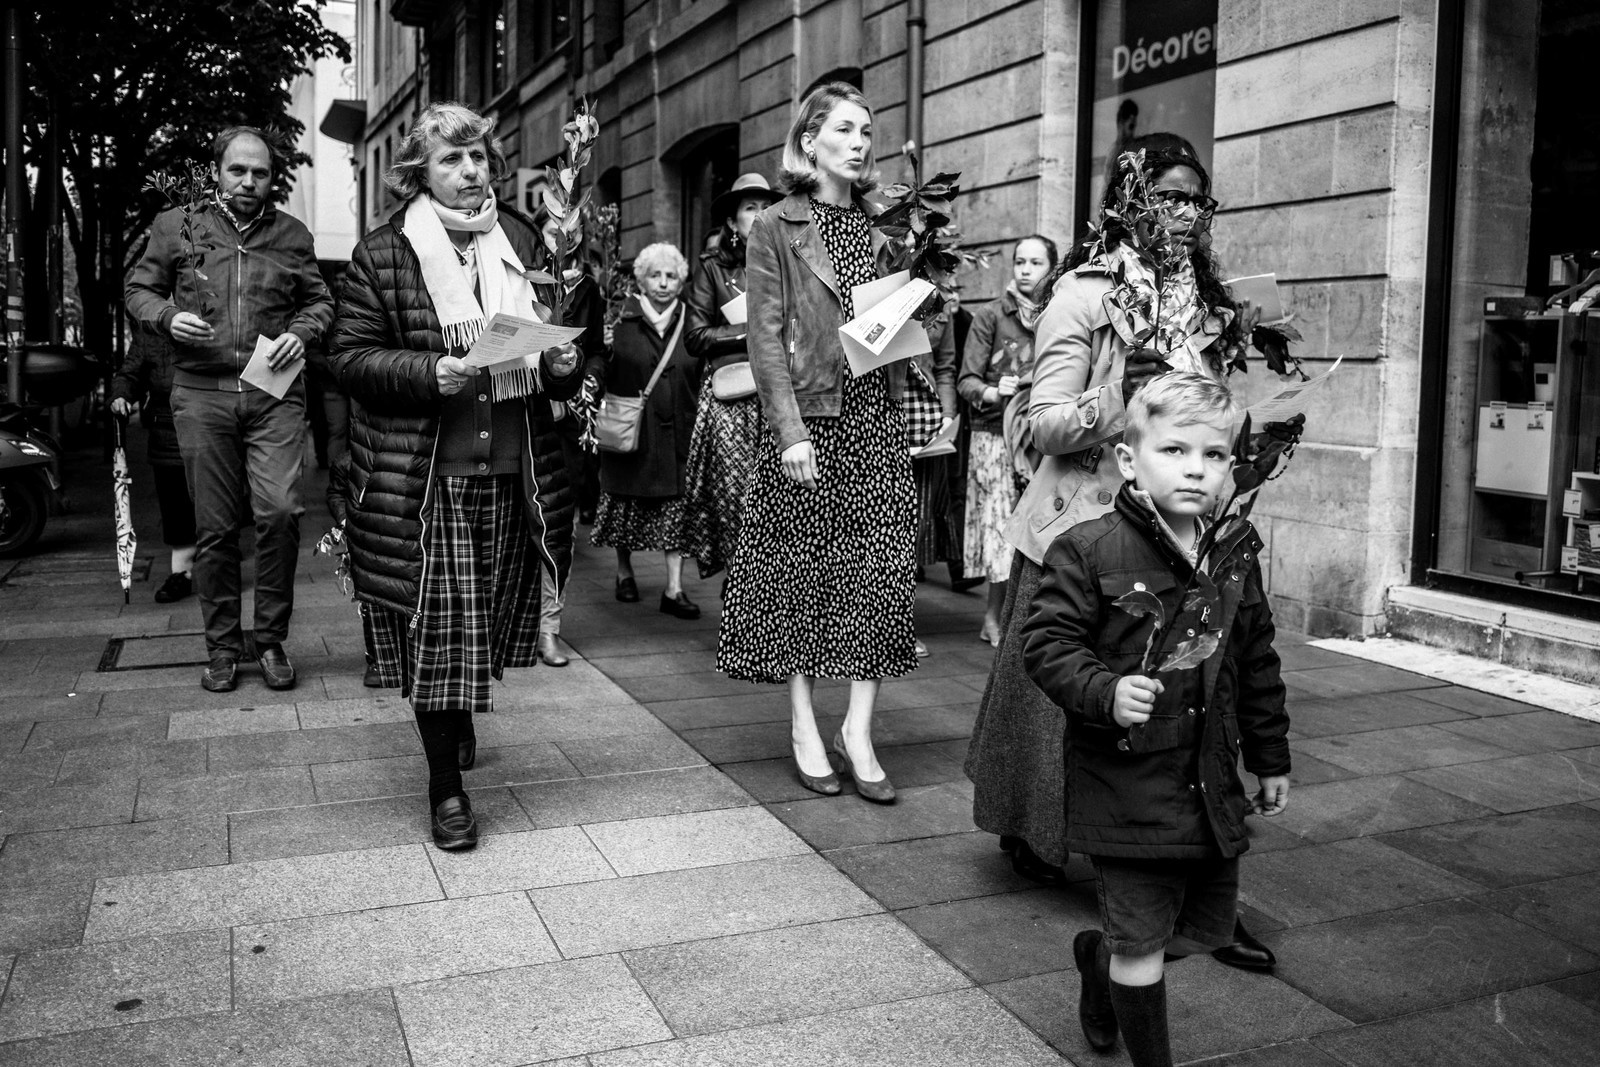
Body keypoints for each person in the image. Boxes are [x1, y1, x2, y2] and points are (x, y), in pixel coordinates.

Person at [961, 134, 1276, 971]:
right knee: (1053, 705)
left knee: (1194, 698)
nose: (1184, 213)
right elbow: (1041, 424)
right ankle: (1037, 834)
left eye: (1196, 198)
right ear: (1130, 200)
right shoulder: (1083, 294)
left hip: (1182, 530)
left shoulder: (1212, 305)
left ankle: (1200, 889)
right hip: (1085, 528)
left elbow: (1208, 415)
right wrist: (1119, 392)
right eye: (1167, 196)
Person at [329, 102, 585, 850]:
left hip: (512, 472)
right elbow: (347, 359)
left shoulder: (527, 240)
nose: (471, 170)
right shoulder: (384, 253)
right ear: (420, 171)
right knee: (440, 631)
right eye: (452, 158)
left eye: (478, 156)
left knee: (484, 620)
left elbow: (555, 359)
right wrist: (427, 371)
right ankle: (446, 790)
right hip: (425, 481)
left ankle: (456, 717)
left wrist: (565, 365)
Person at [1020, 373, 1290, 1066]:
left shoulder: (1233, 551)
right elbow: (1046, 644)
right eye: (1174, 450)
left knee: (1198, 932)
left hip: (1207, 783)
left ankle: (1100, 959)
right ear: (1129, 459)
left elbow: (1256, 659)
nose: (1196, 469)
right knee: (1141, 946)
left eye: (1214, 455)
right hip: (1126, 784)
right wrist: (1104, 691)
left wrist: (1269, 756)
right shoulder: (1089, 547)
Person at [717, 81, 917, 803]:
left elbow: (891, 329)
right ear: (809, 141)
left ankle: (858, 730)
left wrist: (920, 307)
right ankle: (804, 724)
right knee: (800, 574)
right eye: (844, 129)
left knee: (880, 574)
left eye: (866, 130)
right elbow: (764, 339)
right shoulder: (776, 225)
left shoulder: (885, 225)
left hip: (874, 419)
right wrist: (789, 432)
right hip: (811, 420)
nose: (860, 143)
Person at [126, 126, 334, 693]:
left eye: (260, 173)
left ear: (272, 178)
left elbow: (320, 301)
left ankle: (268, 640)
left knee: (281, 512)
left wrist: (300, 331)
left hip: (274, 394)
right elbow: (139, 290)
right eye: (237, 170)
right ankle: (220, 647)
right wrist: (168, 317)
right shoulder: (178, 225)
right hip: (201, 393)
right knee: (215, 528)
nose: (248, 181)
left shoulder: (291, 235)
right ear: (217, 171)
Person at [677, 172, 782, 579]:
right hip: (733, 401)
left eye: (766, 207)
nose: (760, 214)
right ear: (732, 221)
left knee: (777, 505)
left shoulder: (786, 262)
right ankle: (740, 586)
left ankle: (764, 589)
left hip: (780, 396)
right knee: (736, 502)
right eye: (750, 208)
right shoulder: (712, 269)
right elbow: (695, 336)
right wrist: (750, 329)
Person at [956, 234, 1057, 645]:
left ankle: (1025, 619)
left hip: (1042, 440)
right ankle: (993, 617)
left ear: (1052, 268)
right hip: (994, 435)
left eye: (1035, 262)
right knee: (1001, 529)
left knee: (1038, 529)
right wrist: (993, 391)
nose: (1026, 270)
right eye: (1020, 262)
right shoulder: (990, 315)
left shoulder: (1060, 314)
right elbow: (966, 380)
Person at [592, 242, 702, 618]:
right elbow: (601, 368)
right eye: (655, 275)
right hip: (632, 432)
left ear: (681, 281)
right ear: (641, 280)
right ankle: (625, 572)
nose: (663, 283)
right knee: (624, 506)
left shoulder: (692, 320)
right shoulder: (618, 318)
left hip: (678, 431)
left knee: (676, 511)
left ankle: (674, 588)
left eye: (671, 276)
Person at [530, 207, 608, 667]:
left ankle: (549, 628)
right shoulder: (524, 275)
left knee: (559, 524)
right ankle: (516, 621)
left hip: (568, 422)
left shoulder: (588, 288)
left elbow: (596, 349)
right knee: (519, 521)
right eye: (555, 227)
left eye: (574, 229)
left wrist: (585, 385)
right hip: (523, 412)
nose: (565, 235)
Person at [109, 321, 197, 604]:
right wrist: (121, 395)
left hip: (215, 424)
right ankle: (181, 573)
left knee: (219, 499)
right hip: (167, 429)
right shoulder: (150, 333)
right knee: (176, 504)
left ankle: (221, 564)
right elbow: (129, 373)